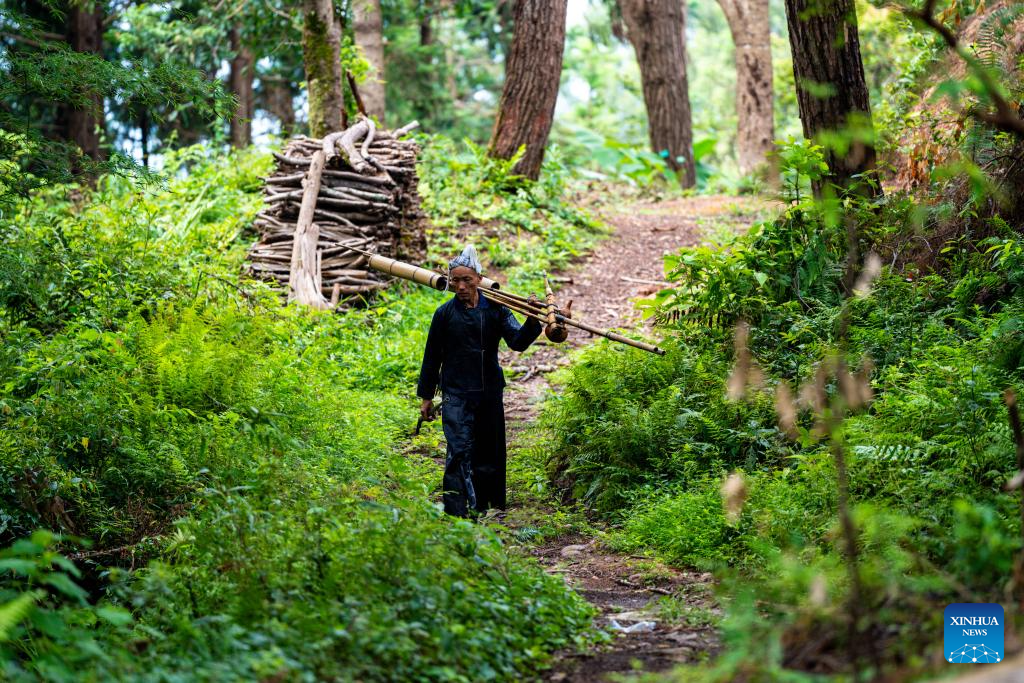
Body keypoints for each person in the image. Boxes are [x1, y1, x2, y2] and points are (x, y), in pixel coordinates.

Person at [416, 245, 542, 517]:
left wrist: (533, 319)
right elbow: (431, 357)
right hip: (456, 394)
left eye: (467, 280)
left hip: (489, 392)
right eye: (455, 281)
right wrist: (426, 397)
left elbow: (517, 342)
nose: (461, 286)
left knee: (490, 450)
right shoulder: (444, 314)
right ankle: (458, 511)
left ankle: (489, 508)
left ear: (478, 279)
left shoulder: (496, 309)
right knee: (458, 451)